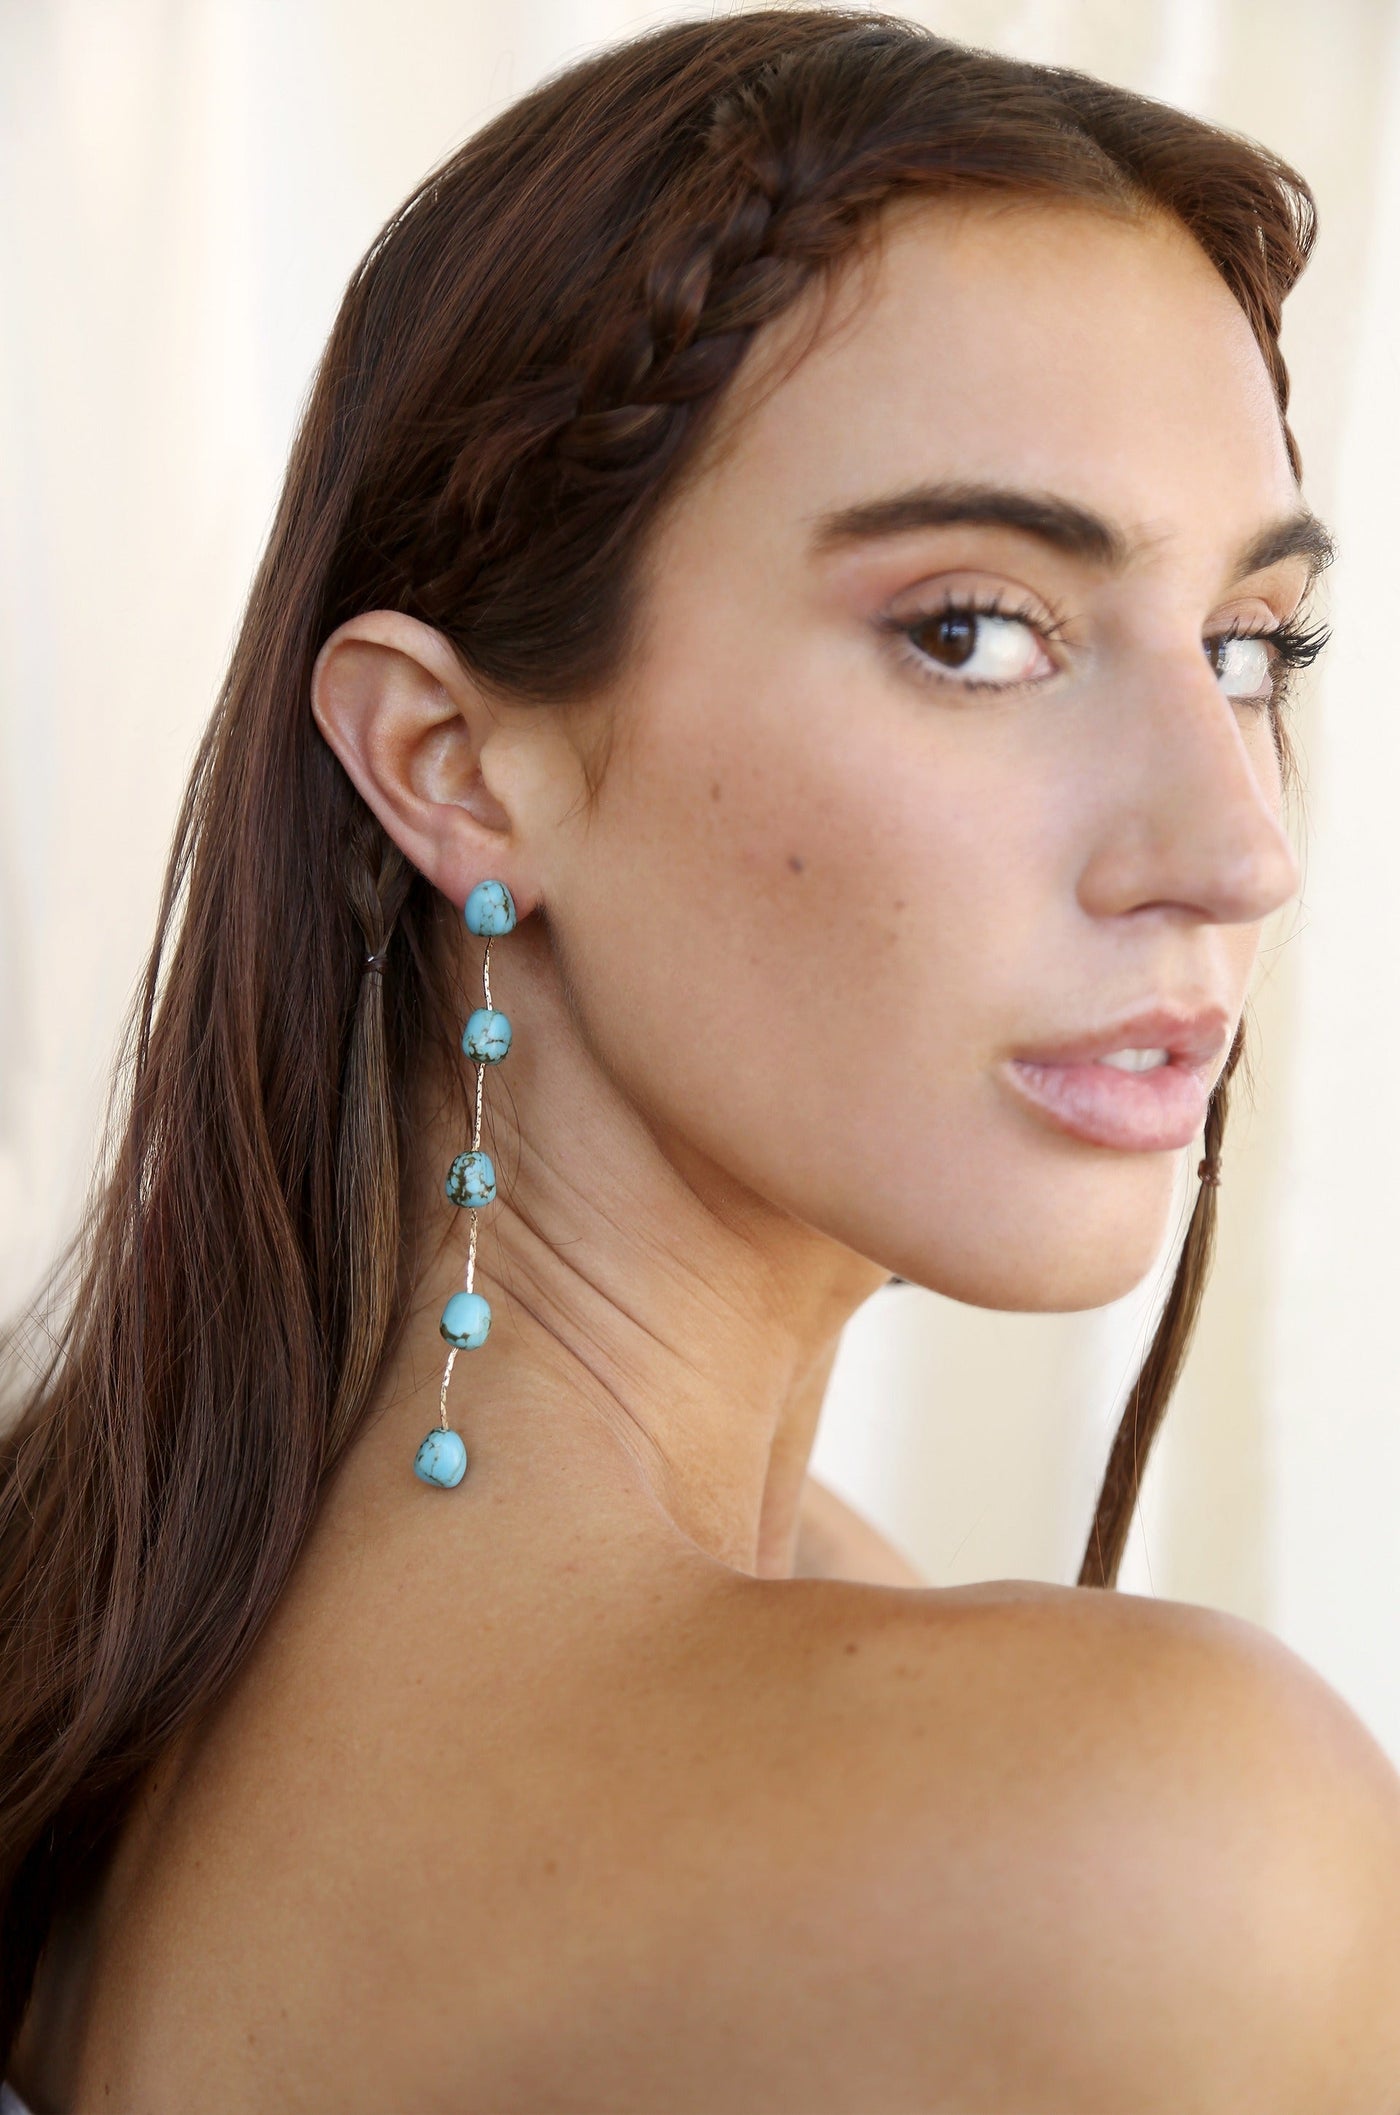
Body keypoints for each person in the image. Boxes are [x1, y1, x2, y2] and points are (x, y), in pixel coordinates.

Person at [3, 10, 1398, 2108]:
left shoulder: (93, 1622)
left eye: (1247, 648)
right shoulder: (1151, 1841)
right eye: (973, 627)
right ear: (451, 764)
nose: (1236, 845)